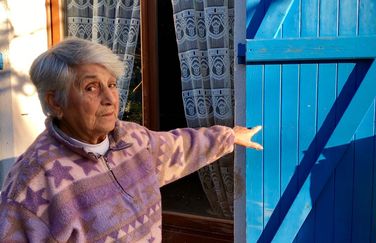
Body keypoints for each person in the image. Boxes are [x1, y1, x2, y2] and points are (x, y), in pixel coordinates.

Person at [0, 38, 262, 242]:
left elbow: (179, 146)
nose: (110, 98)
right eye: (91, 87)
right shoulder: (32, 183)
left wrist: (229, 136)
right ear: (55, 101)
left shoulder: (132, 138)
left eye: (112, 84)